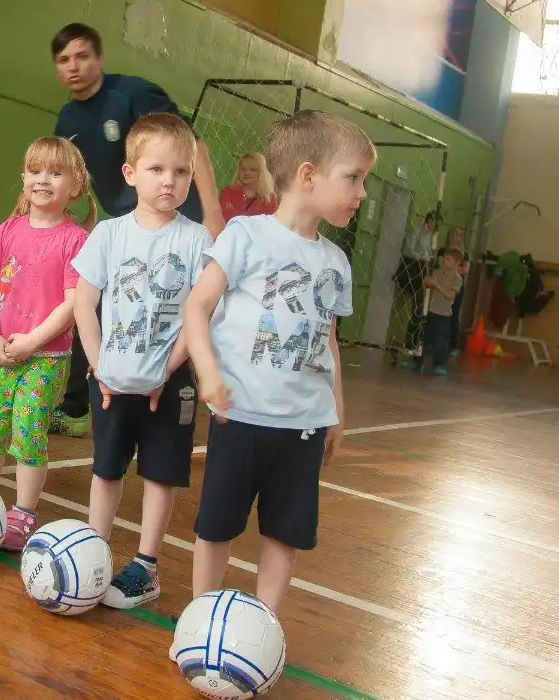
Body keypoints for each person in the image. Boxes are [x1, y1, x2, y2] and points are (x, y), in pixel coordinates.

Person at [183, 109, 375, 613]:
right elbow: (196, 307)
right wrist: (208, 372)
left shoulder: (336, 261)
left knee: (284, 532)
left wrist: (336, 412)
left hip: (303, 425)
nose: (362, 193)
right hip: (241, 416)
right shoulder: (245, 235)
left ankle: (264, 624)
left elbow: (329, 341)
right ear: (308, 175)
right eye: (353, 178)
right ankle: (201, 617)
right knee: (218, 524)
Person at [48, 22, 222, 438]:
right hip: (127, 226)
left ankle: (207, 401)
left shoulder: (133, 94)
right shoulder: (68, 118)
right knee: (94, 303)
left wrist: (213, 212)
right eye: (64, 60)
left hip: (178, 219)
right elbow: (73, 174)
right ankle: (80, 406)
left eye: (82, 56)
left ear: (100, 58)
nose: (74, 66)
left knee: (189, 311)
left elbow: (192, 145)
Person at [72, 114, 212, 609]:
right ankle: (95, 552)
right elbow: (83, 304)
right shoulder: (109, 235)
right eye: (156, 169)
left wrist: (166, 371)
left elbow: (200, 313)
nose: (169, 181)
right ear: (130, 173)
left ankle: (146, 566)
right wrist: (99, 368)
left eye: (181, 172)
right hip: (110, 381)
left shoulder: (197, 240)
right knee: (106, 470)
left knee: (160, 474)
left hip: (169, 385)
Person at [0, 137, 93, 549]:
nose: (43, 179)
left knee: (27, 432)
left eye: (55, 173)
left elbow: (72, 303)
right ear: (23, 177)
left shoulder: (75, 240)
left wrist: (33, 341)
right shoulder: (8, 230)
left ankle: (22, 512)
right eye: (35, 170)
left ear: (75, 185)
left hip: (44, 356)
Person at [399, 248, 463, 376]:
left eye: (448, 260)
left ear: (457, 263)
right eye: (444, 258)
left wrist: (436, 285)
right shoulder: (437, 272)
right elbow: (427, 284)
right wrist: (427, 281)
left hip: (443, 315)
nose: (444, 261)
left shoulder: (457, 278)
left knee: (440, 342)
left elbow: (450, 295)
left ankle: (439, 364)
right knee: (422, 338)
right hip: (429, 312)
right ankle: (417, 361)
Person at [396, 210, 439, 354]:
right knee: (418, 305)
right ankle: (410, 342)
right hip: (412, 271)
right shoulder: (416, 231)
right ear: (430, 220)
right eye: (435, 223)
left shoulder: (430, 237)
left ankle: (415, 341)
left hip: (422, 272)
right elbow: (408, 250)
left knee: (420, 307)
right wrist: (424, 257)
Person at [219, 152, 277, 221]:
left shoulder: (269, 197)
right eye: (243, 169)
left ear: (261, 173)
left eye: (252, 170)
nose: (247, 172)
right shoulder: (228, 191)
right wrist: (251, 217)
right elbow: (226, 216)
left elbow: (263, 223)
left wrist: (234, 212)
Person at [443, 226, 470, 353]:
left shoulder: (464, 254)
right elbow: (442, 266)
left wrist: (452, 268)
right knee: (441, 313)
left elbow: (465, 270)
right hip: (444, 284)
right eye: (453, 235)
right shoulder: (444, 251)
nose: (456, 238)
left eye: (458, 235)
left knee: (454, 313)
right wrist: (456, 268)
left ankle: (452, 344)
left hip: (457, 285)